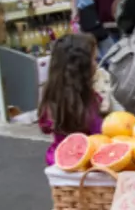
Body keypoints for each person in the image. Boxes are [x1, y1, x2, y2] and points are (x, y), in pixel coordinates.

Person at [38, 34, 102, 166]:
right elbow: (99, 133)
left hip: (58, 161)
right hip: (87, 163)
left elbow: (45, 126)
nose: (96, 65)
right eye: (94, 60)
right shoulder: (90, 102)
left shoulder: (52, 96)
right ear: (82, 67)